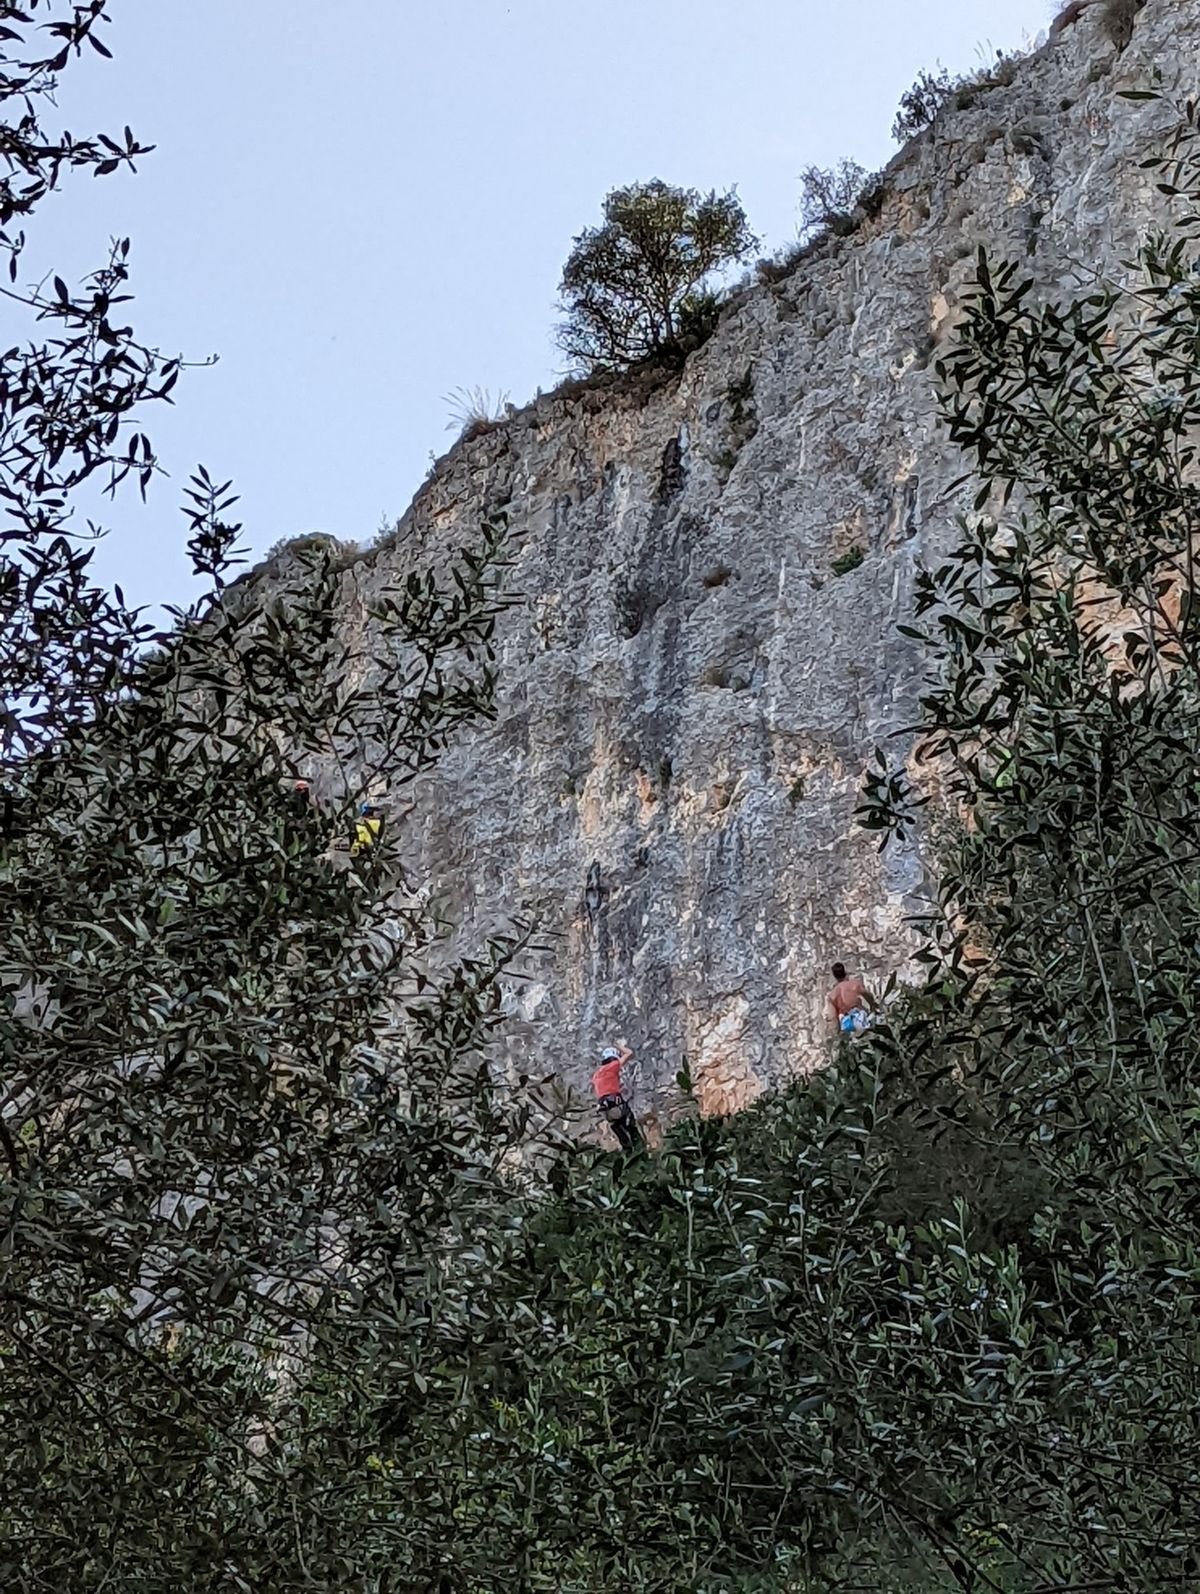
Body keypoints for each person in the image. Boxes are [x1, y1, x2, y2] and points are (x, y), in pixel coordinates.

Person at [591, 1043, 642, 1152]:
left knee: (618, 1129)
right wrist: (619, 1046)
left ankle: (628, 1154)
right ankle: (641, 1150)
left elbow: (604, 1088)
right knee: (630, 1125)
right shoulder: (613, 1065)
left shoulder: (596, 1074)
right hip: (615, 1103)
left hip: (604, 1108)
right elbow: (629, 1053)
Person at [828, 961, 869, 1037]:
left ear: (834, 976)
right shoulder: (855, 985)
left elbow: (833, 1016)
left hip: (846, 1023)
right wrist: (873, 1005)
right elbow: (868, 995)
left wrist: (836, 1033)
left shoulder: (832, 994)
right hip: (859, 1020)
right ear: (845, 972)